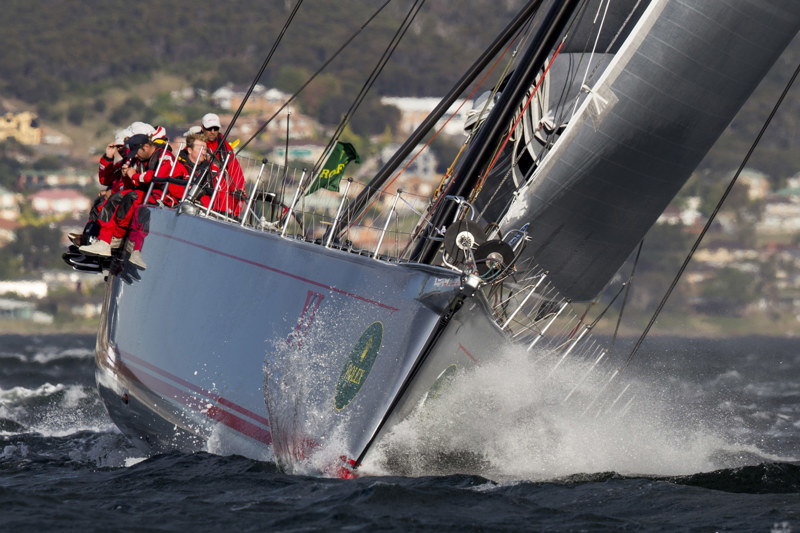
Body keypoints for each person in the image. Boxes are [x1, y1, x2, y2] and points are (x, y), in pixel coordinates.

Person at [79, 131, 187, 263]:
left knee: (132, 198)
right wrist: (127, 176)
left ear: (146, 147)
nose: (135, 155)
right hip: (150, 192)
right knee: (115, 197)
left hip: (168, 197)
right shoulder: (140, 159)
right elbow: (133, 183)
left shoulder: (165, 156)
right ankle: (104, 241)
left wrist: (134, 175)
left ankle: (118, 237)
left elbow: (156, 177)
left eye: (137, 152)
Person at [201, 113, 246, 217]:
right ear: (202, 128)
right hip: (202, 198)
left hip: (221, 202)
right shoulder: (196, 143)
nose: (212, 132)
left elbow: (235, 172)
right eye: (209, 128)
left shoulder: (224, 147)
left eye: (215, 128)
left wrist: (238, 194)